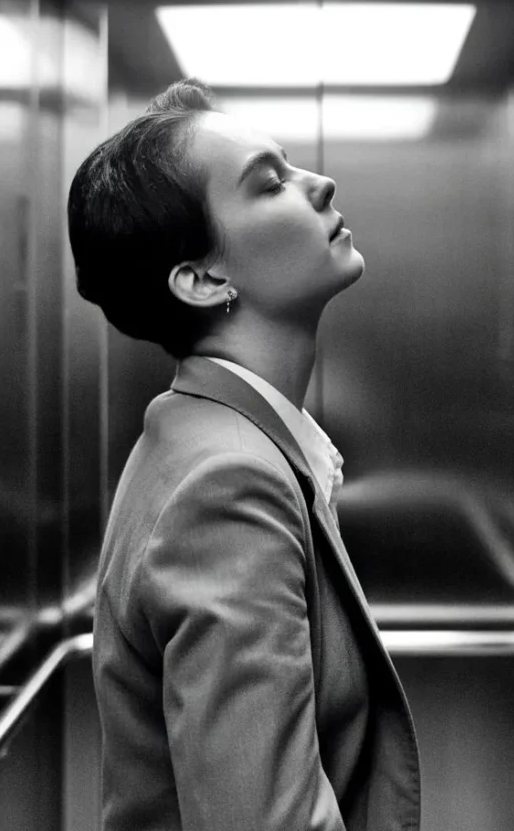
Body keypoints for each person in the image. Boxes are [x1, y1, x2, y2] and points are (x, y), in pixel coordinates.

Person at [67, 77, 421, 831]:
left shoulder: (206, 440)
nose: (318, 183)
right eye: (271, 183)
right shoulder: (226, 483)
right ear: (202, 280)